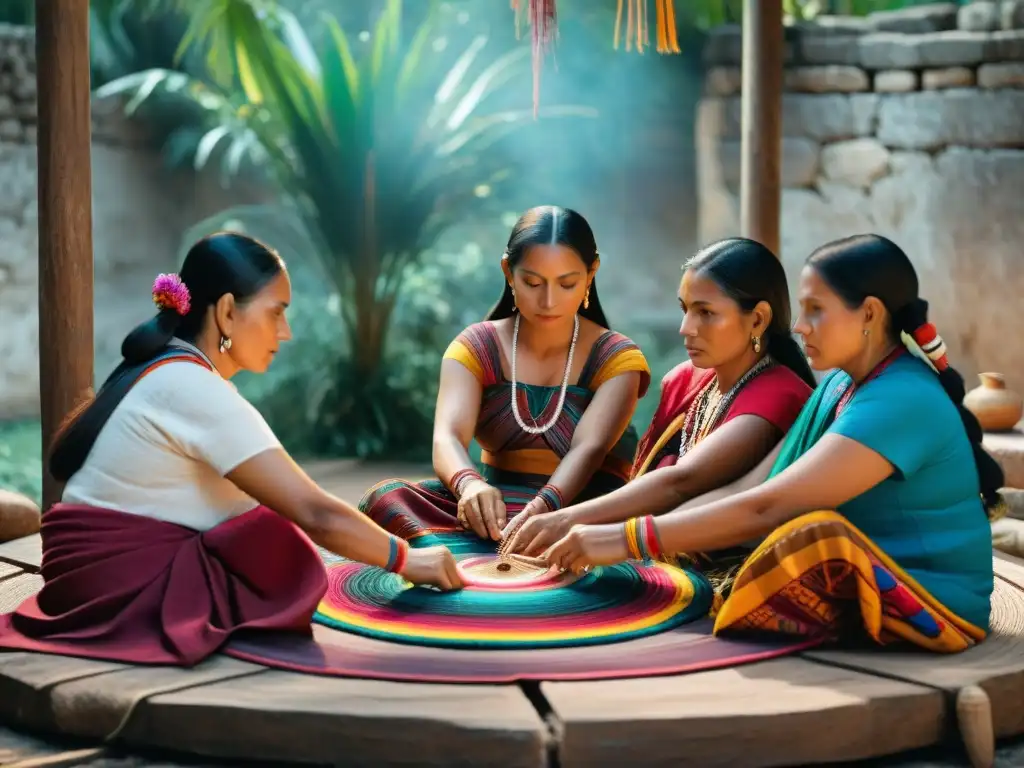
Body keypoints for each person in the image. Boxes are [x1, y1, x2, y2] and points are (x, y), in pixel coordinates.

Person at [0, 232, 462, 667]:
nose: (286, 332)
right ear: (226, 312)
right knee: (272, 534)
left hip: (80, 583)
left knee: (259, 525)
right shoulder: (191, 386)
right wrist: (410, 558)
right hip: (118, 594)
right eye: (276, 312)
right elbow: (315, 512)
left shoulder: (160, 371)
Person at [544, 234, 1002, 653]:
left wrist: (625, 540)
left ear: (868, 313)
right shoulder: (842, 384)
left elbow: (769, 507)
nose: (800, 326)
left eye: (815, 310)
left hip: (934, 599)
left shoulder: (902, 399)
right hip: (880, 571)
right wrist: (641, 545)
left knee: (819, 539)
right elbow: (749, 488)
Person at [505, 238, 815, 568]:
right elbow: (647, 482)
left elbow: (680, 482)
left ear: (757, 320)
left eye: (706, 313)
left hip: (724, 579)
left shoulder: (780, 396)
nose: (686, 328)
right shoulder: (685, 380)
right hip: (651, 558)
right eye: (685, 309)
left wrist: (565, 520)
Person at [359, 206, 651, 546]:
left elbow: (589, 449)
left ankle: (478, 554)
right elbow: (447, 437)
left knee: (621, 535)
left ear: (591, 273)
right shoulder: (476, 346)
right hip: (494, 506)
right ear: (508, 272)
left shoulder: (616, 357)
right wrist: (470, 486)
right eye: (532, 282)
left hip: (581, 511)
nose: (548, 300)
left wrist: (543, 510)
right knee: (387, 498)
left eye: (567, 283)